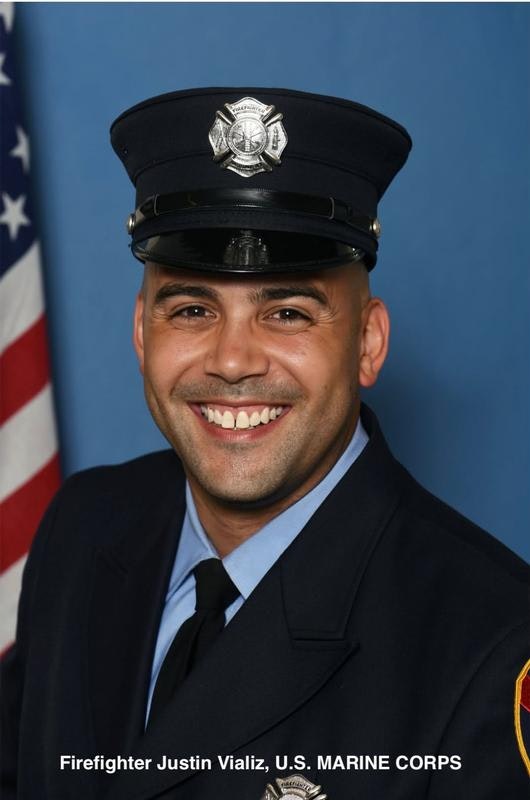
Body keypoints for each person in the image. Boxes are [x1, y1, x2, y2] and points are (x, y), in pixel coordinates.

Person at [1, 88, 529, 800]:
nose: (231, 360)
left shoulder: (490, 643)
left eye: (287, 311)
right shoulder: (86, 526)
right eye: (191, 308)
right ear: (141, 331)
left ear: (367, 343)